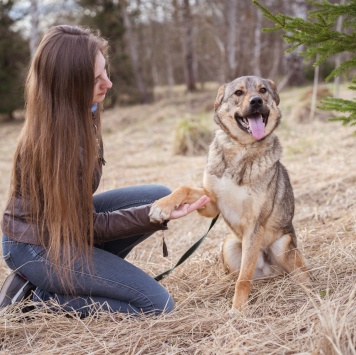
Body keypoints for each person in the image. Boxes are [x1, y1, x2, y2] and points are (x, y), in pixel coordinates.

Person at [0, 25, 209, 317]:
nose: (108, 83)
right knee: (156, 305)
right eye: (96, 78)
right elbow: (87, 226)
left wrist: (157, 209)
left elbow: (78, 220)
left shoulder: (82, 111)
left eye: (105, 71)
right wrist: (153, 216)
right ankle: (39, 299)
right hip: (38, 246)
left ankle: (78, 281)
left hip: (65, 227)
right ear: (69, 83)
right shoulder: (53, 141)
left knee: (159, 196)